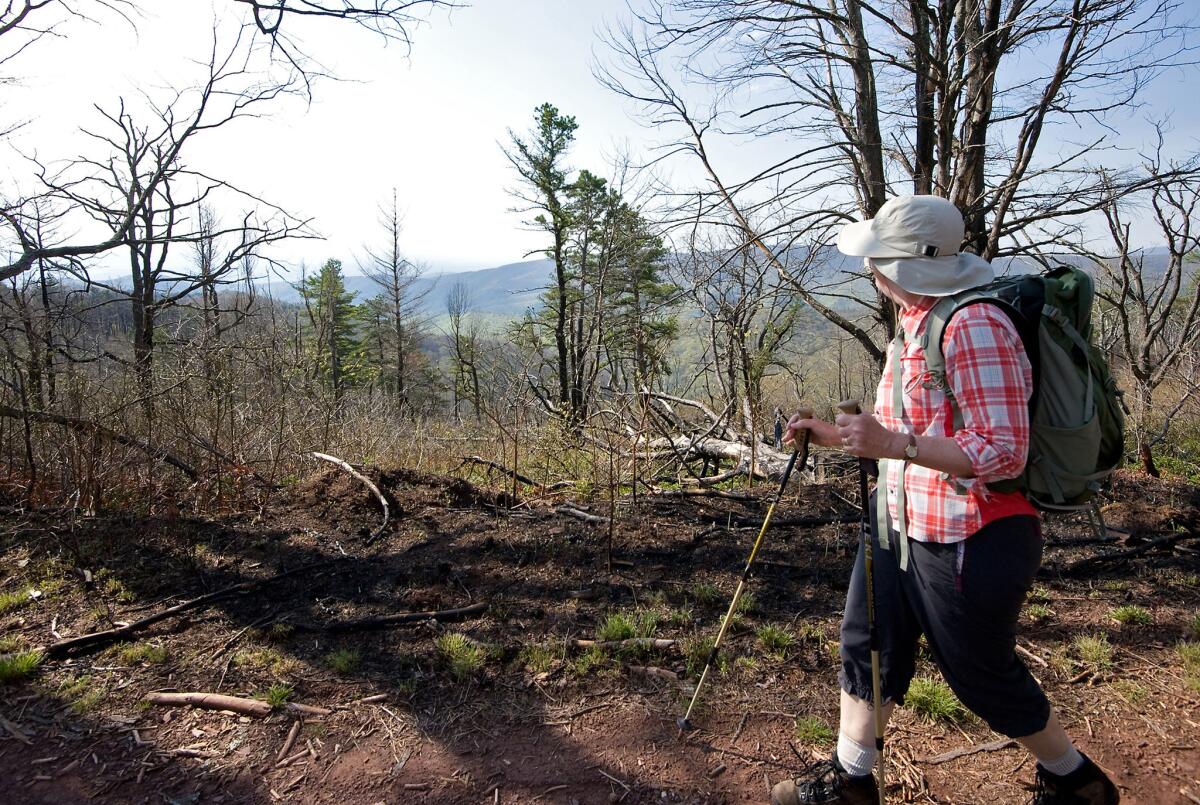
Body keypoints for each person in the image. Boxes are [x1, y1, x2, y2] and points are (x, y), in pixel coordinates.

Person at [773, 195, 1119, 805]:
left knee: (979, 671)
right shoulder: (914, 323)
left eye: (876, 259)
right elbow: (899, 427)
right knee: (866, 643)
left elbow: (1004, 450)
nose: (869, 271)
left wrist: (894, 443)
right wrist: (838, 436)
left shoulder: (975, 324)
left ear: (904, 265)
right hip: (898, 520)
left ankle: (1075, 781)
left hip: (970, 533)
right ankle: (850, 783)